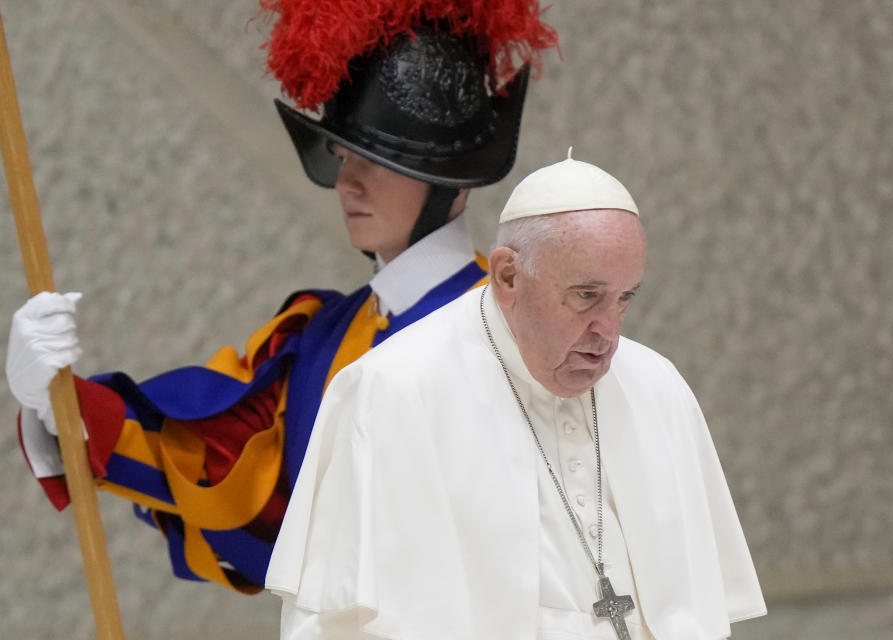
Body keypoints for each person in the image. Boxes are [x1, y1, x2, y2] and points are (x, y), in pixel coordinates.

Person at [5, 1, 556, 593]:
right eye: (343, 154)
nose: (347, 180)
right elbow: (214, 466)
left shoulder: (518, 338)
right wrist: (58, 405)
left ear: (449, 174)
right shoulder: (322, 337)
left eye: (377, 159)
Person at [266, 153, 767, 639]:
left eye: (624, 299)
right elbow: (328, 622)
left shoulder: (657, 386)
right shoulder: (392, 390)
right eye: (586, 296)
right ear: (507, 276)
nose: (608, 332)